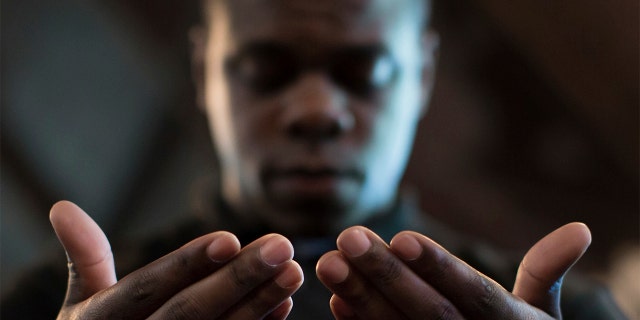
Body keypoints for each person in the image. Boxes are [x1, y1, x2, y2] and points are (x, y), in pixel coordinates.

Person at [1, 0, 627, 319]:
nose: (314, 110)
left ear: (423, 75)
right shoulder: (50, 308)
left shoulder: (570, 315)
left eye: (366, 71)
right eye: (264, 69)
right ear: (204, 73)